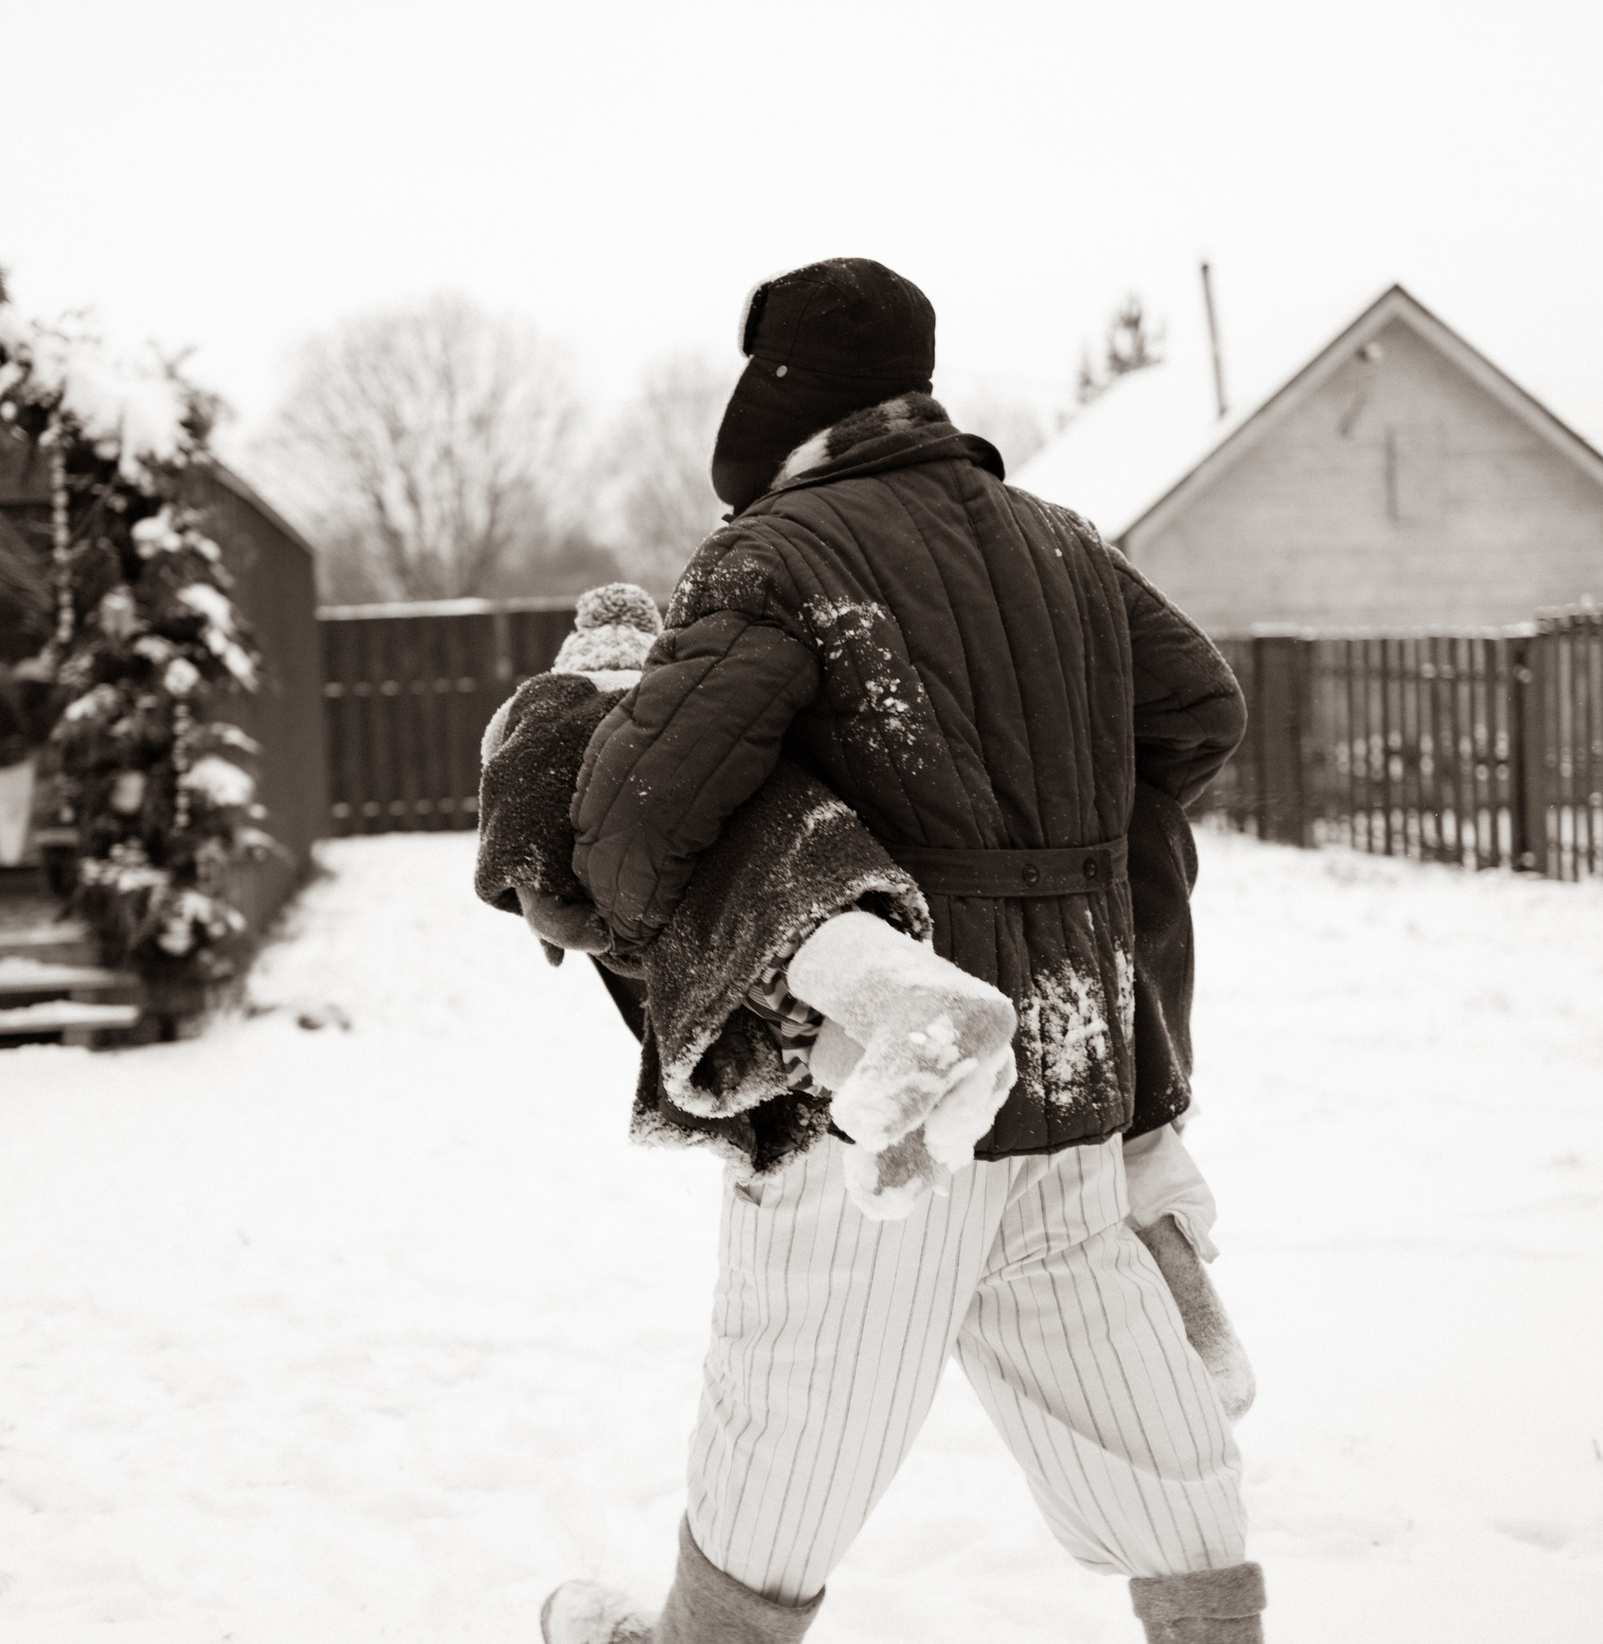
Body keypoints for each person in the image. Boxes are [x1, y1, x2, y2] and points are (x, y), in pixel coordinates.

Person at [540, 259, 1262, 1644]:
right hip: (1071, 1061)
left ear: (786, 392)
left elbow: (635, 833)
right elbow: (1197, 715)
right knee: (1120, 1392)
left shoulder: (778, 558)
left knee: (798, 1393)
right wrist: (1063, 857)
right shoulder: (1061, 540)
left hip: (880, 1087)